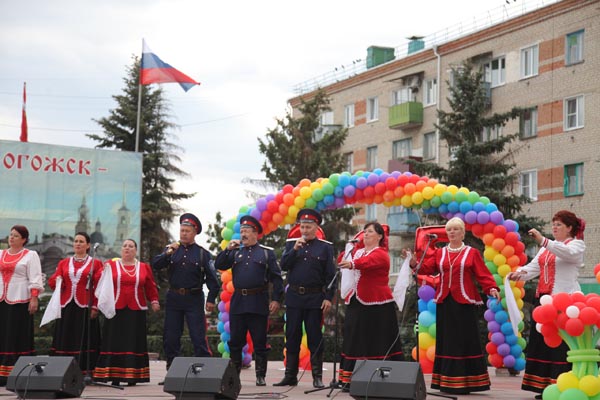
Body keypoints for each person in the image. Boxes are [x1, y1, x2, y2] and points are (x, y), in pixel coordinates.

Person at [405, 217, 501, 395]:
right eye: (449, 230)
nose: (452, 232)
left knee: (464, 339)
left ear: (462, 232)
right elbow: (426, 268)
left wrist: (492, 288)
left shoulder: (471, 252)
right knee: (447, 341)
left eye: (456, 229)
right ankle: (447, 381)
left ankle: (468, 381)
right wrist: (413, 263)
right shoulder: (440, 253)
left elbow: (483, 274)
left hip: (464, 302)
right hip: (445, 302)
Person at [508, 210, 585, 398]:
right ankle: (544, 388)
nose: (555, 227)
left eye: (559, 224)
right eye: (554, 224)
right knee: (542, 344)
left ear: (569, 228)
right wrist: (518, 273)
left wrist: (543, 240)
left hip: (564, 302)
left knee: (559, 346)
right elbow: (533, 268)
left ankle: (563, 386)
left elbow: (566, 253)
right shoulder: (546, 247)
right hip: (544, 302)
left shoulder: (576, 245)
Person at [215, 215, 284, 386]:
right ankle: (234, 375)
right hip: (238, 301)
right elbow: (219, 264)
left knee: (260, 341)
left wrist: (276, 299)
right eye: (242, 231)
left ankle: (260, 375)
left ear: (255, 234)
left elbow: (277, 279)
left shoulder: (266, 254)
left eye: (247, 231)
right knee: (236, 341)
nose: (243, 234)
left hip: (258, 301)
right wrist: (228, 250)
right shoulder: (236, 251)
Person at [152, 213, 220, 380]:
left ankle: (204, 373)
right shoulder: (171, 250)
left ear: (195, 232)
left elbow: (213, 279)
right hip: (174, 297)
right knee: (171, 336)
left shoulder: (203, 254)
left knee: (198, 336)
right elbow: (155, 264)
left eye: (187, 231)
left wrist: (211, 299)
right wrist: (167, 253)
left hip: (194, 298)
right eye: (181, 230)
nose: (183, 234)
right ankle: (173, 373)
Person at [337, 221, 404, 389]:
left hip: (377, 304)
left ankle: (380, 378)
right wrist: (348, 250)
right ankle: (350, 379)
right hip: (357, 301)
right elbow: (343, 261)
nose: (365, 234)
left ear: (380, 236)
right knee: (354, 338)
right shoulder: (358, 252)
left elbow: (369, 263)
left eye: (370, 232)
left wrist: (352, 263)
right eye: (364, 231)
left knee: (376, 341)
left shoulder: (381, 253)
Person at [274, 209, 336, 388]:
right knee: (292, 335)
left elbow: (331, 276)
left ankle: (317, 376)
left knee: (314, 336)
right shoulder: (291, 244)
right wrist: (294, 249)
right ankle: (290, 375)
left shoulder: (325, 247)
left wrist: (328, 298)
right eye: (302, 227)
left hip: (315, 297)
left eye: (309, 227)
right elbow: (284, 266)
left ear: (316, 227)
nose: (305, 230)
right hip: (294, 297)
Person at [93, 239, 160, 386]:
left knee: (133, 341)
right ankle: (114, 376)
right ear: (121, 249)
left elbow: (150, 285)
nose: (127, 249)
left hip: (136, 309)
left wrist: (154, 300)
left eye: (131, 246)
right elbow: (98, 279)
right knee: (114, 340)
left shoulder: (143, 267)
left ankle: (133, 376)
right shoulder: (111, 265)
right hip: (115, 309)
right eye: (125, 246)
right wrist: (102, 271)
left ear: (136, 250)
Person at [48, 232, 104, 376]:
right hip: (66, 305)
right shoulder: (64, 262)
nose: (78, 243)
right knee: (65, 336)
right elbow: (53, 283)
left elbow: (99, 286)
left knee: (84, 337)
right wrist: (57, 280)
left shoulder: (95, 263)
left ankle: (85, 370)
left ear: (88, 245)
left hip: (85, 305)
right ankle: (61, 370)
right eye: (76, 241)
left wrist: (95, 306)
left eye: (81, 241)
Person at [0, 225, 44, 386]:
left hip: (20, 299)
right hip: (2, 299)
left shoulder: (30, 255)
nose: (11, 238)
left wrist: (34, 298)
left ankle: (18, 372)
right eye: (10, 235)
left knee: (15, 334)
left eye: (16, 236)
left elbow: (35, 277)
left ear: (24, 239)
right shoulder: (1, 254)